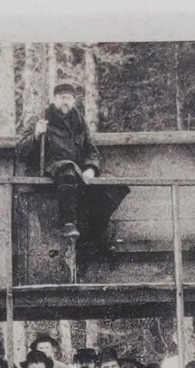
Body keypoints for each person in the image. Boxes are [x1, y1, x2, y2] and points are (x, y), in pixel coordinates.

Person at [14, 81, 128, 246]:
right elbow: (20, 150)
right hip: (50, 168)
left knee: (115, 187)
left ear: (74, 101)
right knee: (67, 168)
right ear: (54, 99)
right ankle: (68, 224)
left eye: (69, 98)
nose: (65, 101)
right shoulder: (40, 118)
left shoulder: (79, 121)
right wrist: (36, 135)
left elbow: (91, 150)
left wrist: (90, 168)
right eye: (61, 97)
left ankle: (93, 235)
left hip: (77, 172)